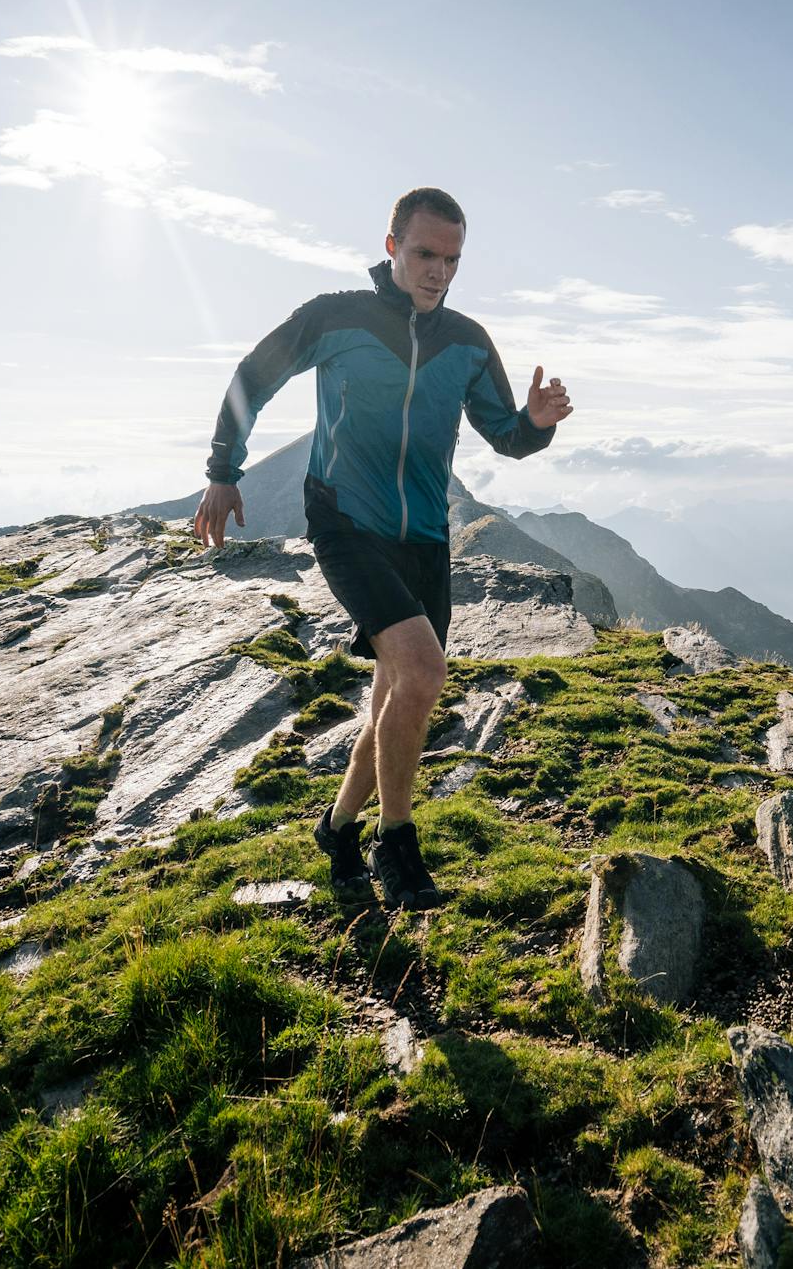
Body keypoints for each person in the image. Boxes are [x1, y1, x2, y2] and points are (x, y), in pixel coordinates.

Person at [191, 187, 572, 910]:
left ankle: (336, 829)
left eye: (452, 259)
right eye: (426, 253)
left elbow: (506, 437)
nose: (439, 272)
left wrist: (538, 420)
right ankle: (396, 844)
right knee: (425, 670)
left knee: (395, 698)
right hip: (346, 522)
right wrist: (221, 470)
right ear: (392, 244)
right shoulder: (337, 316)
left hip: (424, 537)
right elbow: (253, 375)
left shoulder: (467, 340)